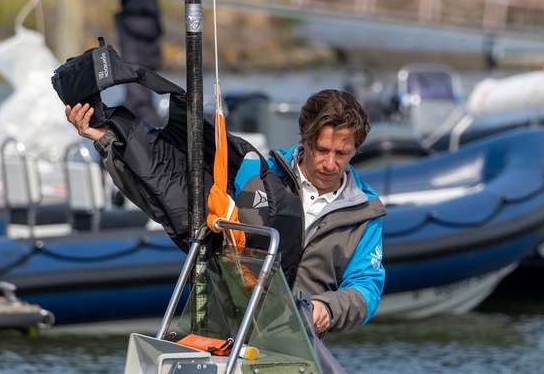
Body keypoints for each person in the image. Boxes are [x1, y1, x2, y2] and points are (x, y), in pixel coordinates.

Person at [65, 89, 386, 334]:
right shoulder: (256, 173)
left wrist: (326, 309)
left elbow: (366, 287)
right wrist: (106, 142)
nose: (330, 163)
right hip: (217, 332)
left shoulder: (364, 214)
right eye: (322, 150)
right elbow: (165, 193)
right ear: (304, 140)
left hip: (293, 348)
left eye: (342, 153)